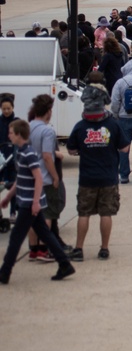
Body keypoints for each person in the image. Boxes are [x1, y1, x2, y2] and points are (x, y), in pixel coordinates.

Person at [0, 120, 75, 284]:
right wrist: (7, 197)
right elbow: (20, 179)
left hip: (29, 204)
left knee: (15, 238)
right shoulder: (20, 152)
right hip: (27, 201)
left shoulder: (29, 154)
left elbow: (38, 178)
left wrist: (35, 202)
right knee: (46, 235)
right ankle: (64, 264)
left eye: (11, 133)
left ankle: (4, 273)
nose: (9, 135)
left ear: (19, 134)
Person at [65, 84, 129, 262]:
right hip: (108, 177)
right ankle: (104, 249)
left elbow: (70, 150)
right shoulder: (112, 125)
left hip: (87, 177)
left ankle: (79, 249)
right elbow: (124, 148)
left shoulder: (80, 126)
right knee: (106, 214)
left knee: (84, 213)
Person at [25, 95, 66, 260]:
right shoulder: (47, 131)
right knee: (47, 215)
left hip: (29, 178)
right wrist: (55, 177)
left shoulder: (28, 128)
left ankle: (33, 249)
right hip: (45, 179)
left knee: (32, 216)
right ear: (48, 112)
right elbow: (47, 156)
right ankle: (43, 249)